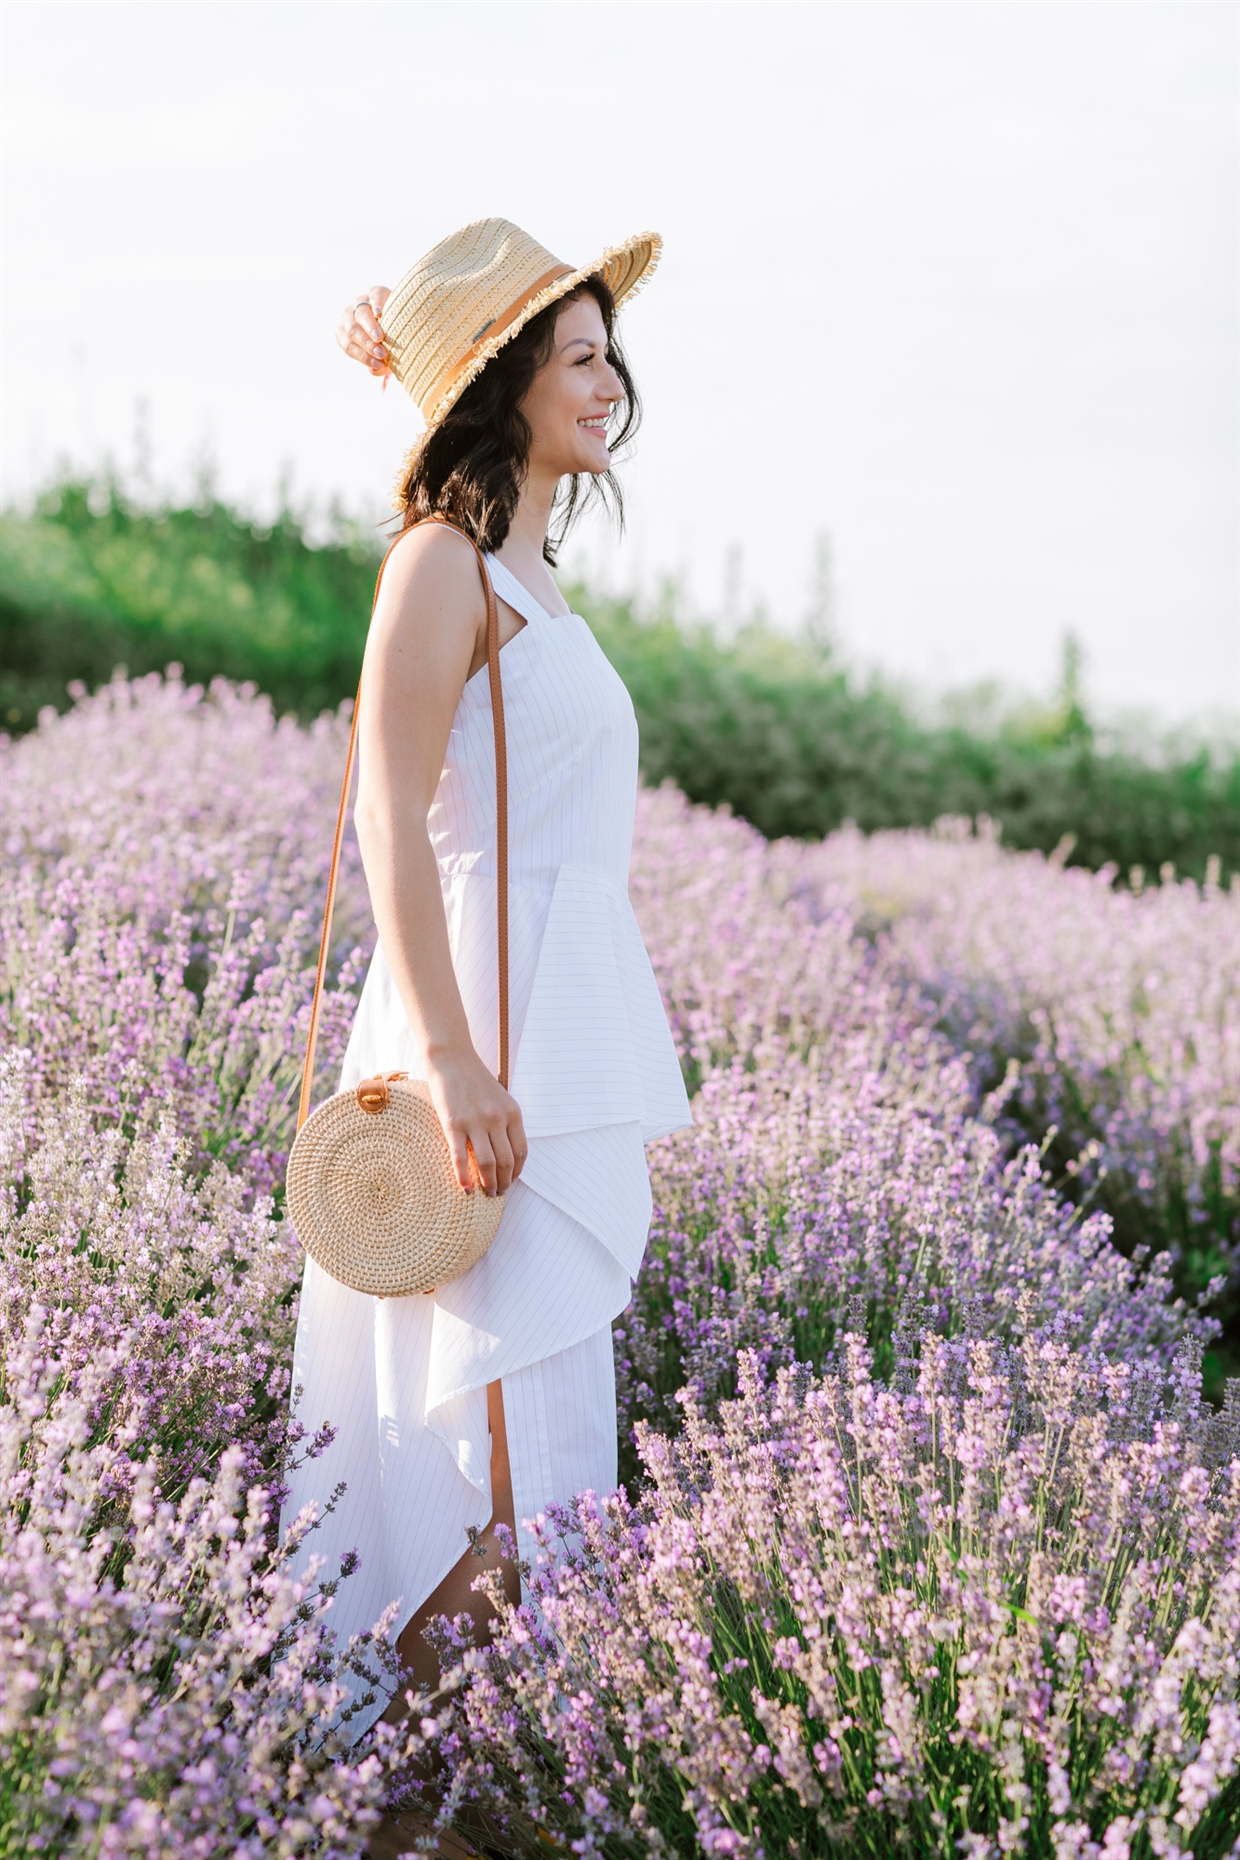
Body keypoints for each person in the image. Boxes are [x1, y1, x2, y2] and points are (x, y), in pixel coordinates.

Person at [281, 220, 692, 1742]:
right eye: (574, 354)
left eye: (606, 350)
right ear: (507, 385)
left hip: (559, 1023)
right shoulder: (438, 563)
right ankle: (403, 1796)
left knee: (549, 1459)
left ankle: (471, 1796)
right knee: (498, 1473)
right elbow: (388, 809)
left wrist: (431, 356)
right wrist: (451, 1058)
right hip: (484, 1030)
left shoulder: (524, 567)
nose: (609, 378)